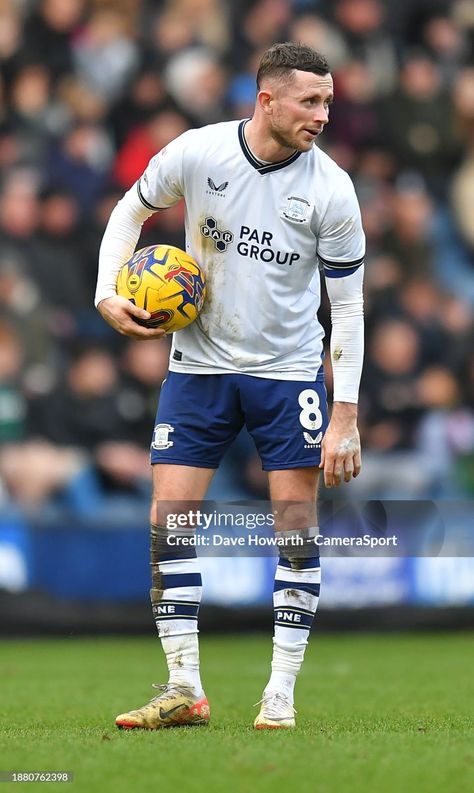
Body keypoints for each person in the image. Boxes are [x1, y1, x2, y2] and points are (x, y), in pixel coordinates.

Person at [95, 42, 365, 730]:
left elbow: (350, 307)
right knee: (169, 519)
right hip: (199, 367)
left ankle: (280, 692)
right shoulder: (200, 153)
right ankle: (184, 686)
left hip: (286, 373)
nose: (323, 114)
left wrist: (345, 414)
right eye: (310, 100)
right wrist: (106, 295)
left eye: (328, 101)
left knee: (295, 528)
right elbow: (131, 210)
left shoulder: (331, 188)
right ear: (266, 99)